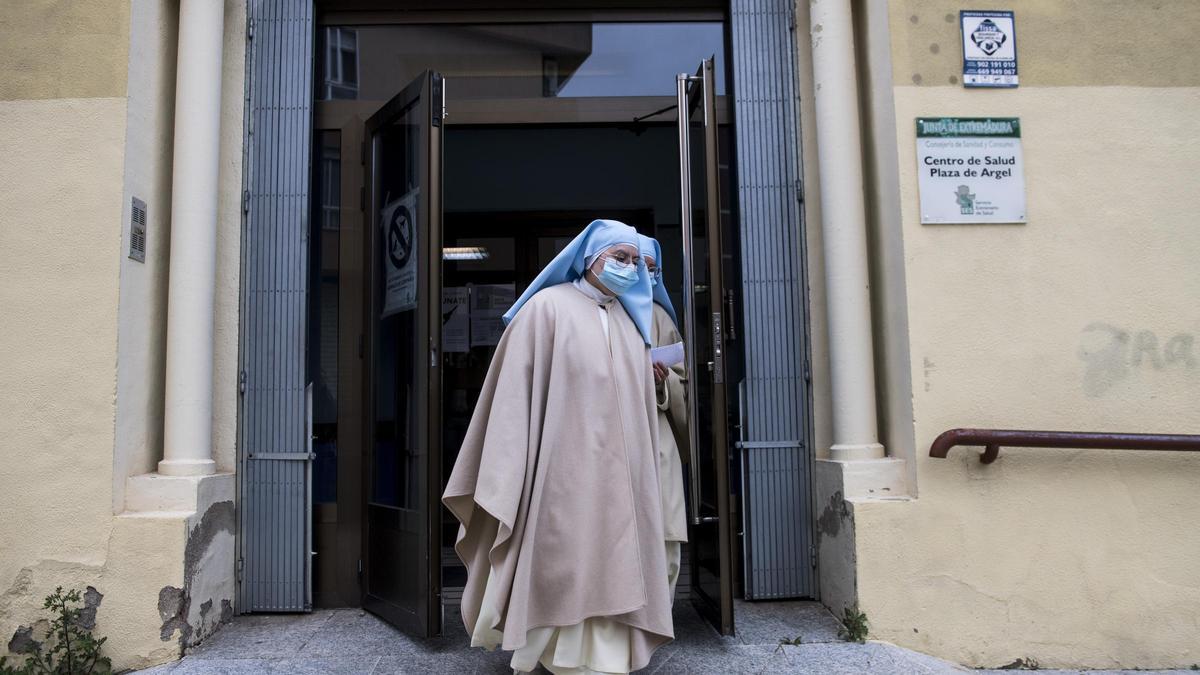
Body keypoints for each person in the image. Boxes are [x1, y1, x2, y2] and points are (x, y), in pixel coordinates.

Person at [442, 219, 673, 675]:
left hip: (620, 475)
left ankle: (607, 658)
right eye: (619, 258)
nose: (629, 268)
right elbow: (511, 397)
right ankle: (551, 654)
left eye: (633, 260)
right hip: (561, 471)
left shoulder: (631, 321)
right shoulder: (546, 309)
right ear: (589, 259)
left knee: (618, 558)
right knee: (562, 559)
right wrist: (510, 467)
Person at [638, 234, 690, 603]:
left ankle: (660, 612)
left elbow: (681, 378)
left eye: (654, 269)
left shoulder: (659, 317)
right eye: (639, 265)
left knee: (665, 531)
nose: (646, 275)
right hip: (607, 436)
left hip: (655, 434)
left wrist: (661, 381)